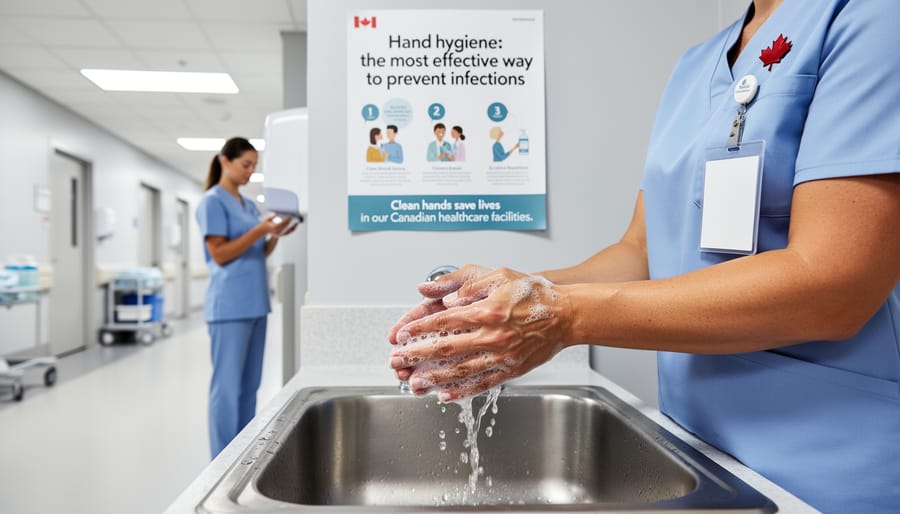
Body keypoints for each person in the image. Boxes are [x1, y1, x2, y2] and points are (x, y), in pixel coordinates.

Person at [388, 1, 900, 512]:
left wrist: (563, 317)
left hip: (825, 472)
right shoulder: (697, 64)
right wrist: (510, 297)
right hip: (699, 455)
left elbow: (836, 286)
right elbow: (642, 250)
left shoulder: (871, 20)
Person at [196, 137, 295, 458]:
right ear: (225, 161)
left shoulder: (249, 205)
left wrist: (274, 236)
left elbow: (258, 252)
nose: (250, 172)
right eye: (245, 165)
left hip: (255, 304)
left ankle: (239, 454)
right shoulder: (212, 202)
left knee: (249, 387)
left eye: (254, 166)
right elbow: (221, 254)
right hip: (229, 307)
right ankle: (219, 461)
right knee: (226, 390)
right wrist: (259, 230)